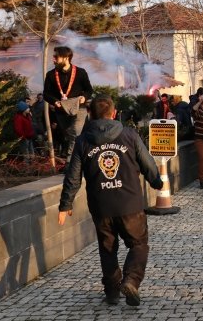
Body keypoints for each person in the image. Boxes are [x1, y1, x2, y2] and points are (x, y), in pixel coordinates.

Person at [57, 95, 163, 306]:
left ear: (90, 114)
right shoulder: (129, 135)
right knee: (139, 245)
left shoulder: (83, 141)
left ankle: (112, 292)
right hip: (129, 203)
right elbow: (147, 163)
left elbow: (73, 176)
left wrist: (65, 204)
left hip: (101, 205)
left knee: (107, 249)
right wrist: (156, 181)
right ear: (114, 113)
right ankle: (131, 281)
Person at [43, 45, 93, 161]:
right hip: (62, 110)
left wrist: (84, 97)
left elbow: (89, 90)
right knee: (69, 136)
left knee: (75, 133)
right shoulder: (51, 75)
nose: (53, 59)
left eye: (56, 57)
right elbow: (46, 94)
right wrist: (55, 101)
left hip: (79, 107)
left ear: (66, 58)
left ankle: (70, 162)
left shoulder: (80, 72)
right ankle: (82, 158)